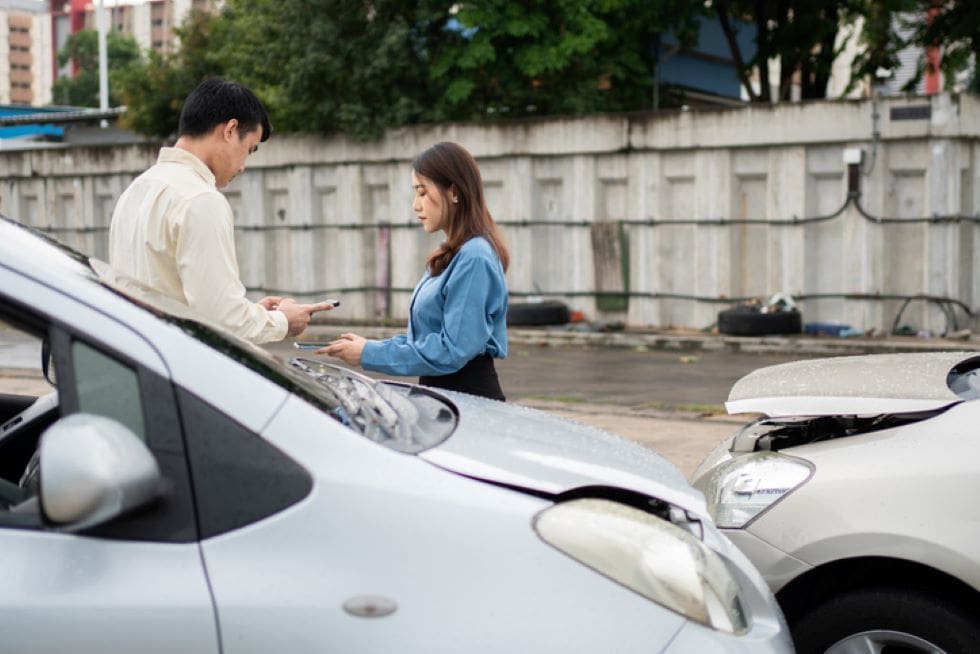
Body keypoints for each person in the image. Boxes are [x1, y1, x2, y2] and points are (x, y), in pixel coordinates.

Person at [109, 77, 333, 344]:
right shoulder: (201, 199)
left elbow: (177, 298)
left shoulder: (136, 190)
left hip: (138, 358)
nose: (243, 166)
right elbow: (223, 319)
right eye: (249, 149)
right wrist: (283, 321)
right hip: (180, 369)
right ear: (230, 130)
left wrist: (253, 313)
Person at [321, 142, 509, 400]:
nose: (415, 205)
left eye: (422, 193)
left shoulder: (474, 256)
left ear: (454, 192)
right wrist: (370, 347)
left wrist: (370, 354)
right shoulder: (455, 252)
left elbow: (452, 350)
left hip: (467, 395)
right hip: (444, 393)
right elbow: (427, 338)